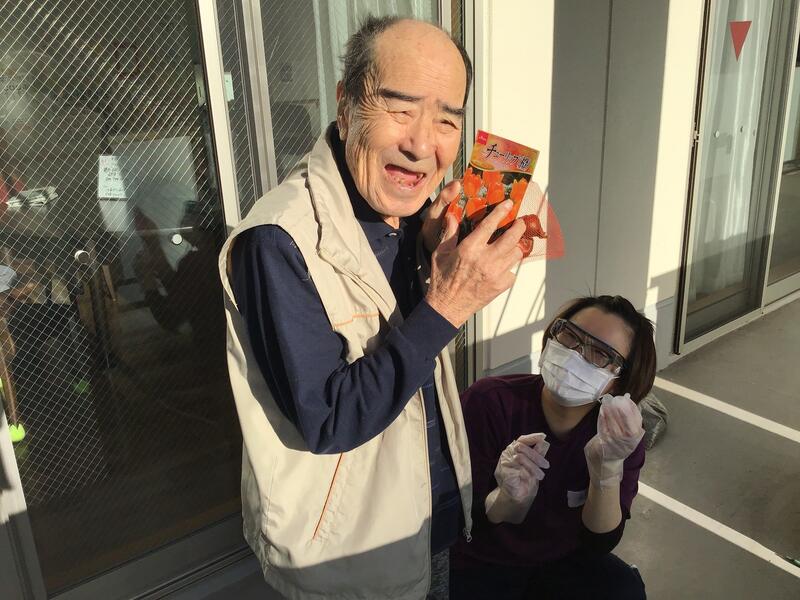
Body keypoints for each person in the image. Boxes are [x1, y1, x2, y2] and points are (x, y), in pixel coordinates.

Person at [217, 16, 527, 600]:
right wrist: (448, 302)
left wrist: (431, 260)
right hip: (350, 559)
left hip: (428, 519)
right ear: (347, 105)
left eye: (446, 120)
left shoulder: (407, 216)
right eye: (400, 109)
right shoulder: (277, 240)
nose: (421, 144)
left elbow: (408, 354)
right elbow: (329, 419)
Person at [450, 295, 657, 600]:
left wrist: (607, 471)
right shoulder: (489, 401)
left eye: (600, 354)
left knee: (623, 590)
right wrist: (504, 499)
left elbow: (599, 542)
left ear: (618, 380)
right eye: (570, 335)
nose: (575, 355)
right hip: (483, 559)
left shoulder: (618, 436)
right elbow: (455, 520)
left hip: (562, 559)